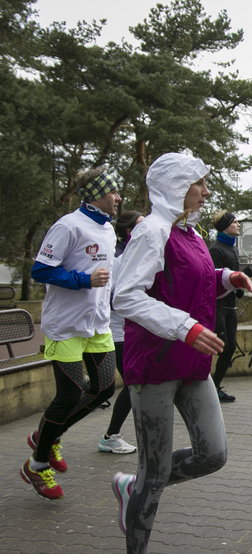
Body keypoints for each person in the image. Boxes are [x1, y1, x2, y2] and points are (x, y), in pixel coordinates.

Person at [111, 152, 252, 552]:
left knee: (214, 455)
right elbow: (124, 296)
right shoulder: (151, 231)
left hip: (191, 360)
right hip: (155, 363)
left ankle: (133, 486)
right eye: (200, 185)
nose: (207, 193)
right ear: (177, 187)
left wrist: (225, 278)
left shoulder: (189, 234)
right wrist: (185, 327)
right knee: (154, 473)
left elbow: (185, 279)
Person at [22, 168, 121, 500]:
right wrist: (83, 280)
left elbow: (110, 275)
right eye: (114, 192)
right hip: (65, 325)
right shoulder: (68, 225)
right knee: (69, 395)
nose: (119, 198)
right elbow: (41, 270)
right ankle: (37, 466)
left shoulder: (108, 230)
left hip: (97, 323)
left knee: (104, 387)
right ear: (97, 194)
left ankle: (46, 437)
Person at [98, 210, 144, 455]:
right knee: (133, 383)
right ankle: (110, 436)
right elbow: (113, 299)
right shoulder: (119, 259)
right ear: (129, 232)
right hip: (118, 333)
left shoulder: (139, 257)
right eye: (141, 225)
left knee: (137, 383)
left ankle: (114, 434)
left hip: (135, 332)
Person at [209, 210, 243, 402]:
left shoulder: (233, 248)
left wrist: (239, 286)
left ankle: (214, 387)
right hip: (218, 306)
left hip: (231, 306)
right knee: (222, 347)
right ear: (225, 226)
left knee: (230, 348)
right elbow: (214, 278)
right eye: (235, 222)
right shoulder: (216, 249)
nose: (238, 225)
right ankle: (204, 387)